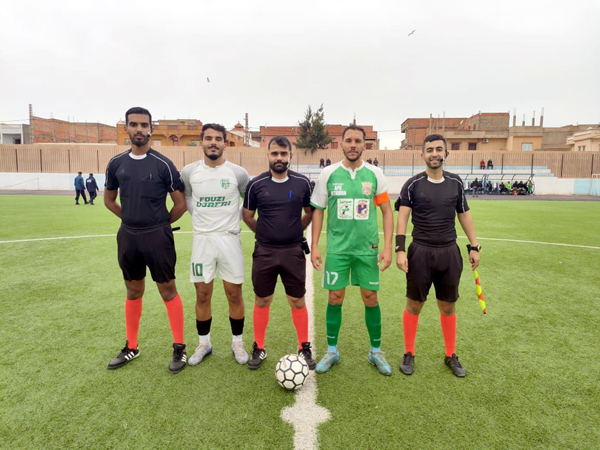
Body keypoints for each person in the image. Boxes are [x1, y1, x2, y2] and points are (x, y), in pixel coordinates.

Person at [104, 106, 188, 374]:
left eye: (143, 125)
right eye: (134, 124)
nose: (139, 129)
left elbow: (180, 204)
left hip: (157, 237)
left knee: (168, 290)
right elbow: (109, 200)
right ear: (126, 128)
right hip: (128, 236)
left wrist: (160, 223)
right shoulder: (116, 163)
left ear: (151, 129)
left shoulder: (163, 164)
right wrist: (130, 218)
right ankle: (132, 346)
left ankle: (179, 347)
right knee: (133, 290)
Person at [310, 125, 394, 376]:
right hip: (338, 250)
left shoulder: (375, 174)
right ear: (342, 144)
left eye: (358, 141)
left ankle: (375, 351)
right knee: (335, 298)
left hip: (367, 249)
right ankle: (332, 351)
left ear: (364, 145)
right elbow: (318, 211)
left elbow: (387, 211)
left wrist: (387, 247)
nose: (353, 145)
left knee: (371, 298)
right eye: (349, 140)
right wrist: (315, 246)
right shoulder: (328, 173)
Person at [396, 134, 481, 378]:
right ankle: (409, 352)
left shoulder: (455, 182)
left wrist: (474, 246)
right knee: (414, 304)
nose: (434, 153)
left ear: (446, 153)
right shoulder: (412, 184)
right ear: (422, 154)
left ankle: (450, 354)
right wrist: (400, 249)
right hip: (420, 251)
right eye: (430, 149)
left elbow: (464, 213)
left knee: (448, 305)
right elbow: (403, 217)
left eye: (439, 149)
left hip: (449, 252)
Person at [242, 136, 315, 370]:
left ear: (290, 156)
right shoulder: (256, 184)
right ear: (268, 155)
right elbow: (247, 216)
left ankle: (304, 346)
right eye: (275, 153)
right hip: (265, 251)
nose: (279, 158)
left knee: (297, 300)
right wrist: (265, 232)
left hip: (293, 251)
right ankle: (259, 346)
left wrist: (295, 230)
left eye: (283, 154)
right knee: (262, 299)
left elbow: (309, 212)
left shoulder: (302, 183)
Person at [180, 124, 250, 366]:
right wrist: (201, 219)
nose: (213, 142)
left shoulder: (238, 173)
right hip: (202, 240)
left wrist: (233, 219)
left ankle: (237, 342)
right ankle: (204, 343)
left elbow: (247, 201)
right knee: (202, 295)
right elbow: (188, 199)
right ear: (201, 142)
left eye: (218, 139)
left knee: (234, 293)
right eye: (208, 138)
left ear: (224, 143)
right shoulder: (189, 172)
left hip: (230, 238)